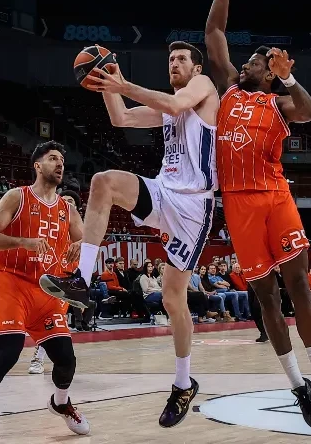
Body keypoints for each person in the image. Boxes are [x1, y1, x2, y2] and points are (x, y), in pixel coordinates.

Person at [199, 0, 311, 429]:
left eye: (257, 61)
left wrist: (289, 81)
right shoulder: (226, 91)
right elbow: (214, 29)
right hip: (238, 202)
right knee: (266, 298)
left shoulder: (276, 101)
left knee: (298, 282)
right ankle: (298, 387)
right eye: (250, 61)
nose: (247, 63)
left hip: (274, 193)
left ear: (268, 70)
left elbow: (309, 111)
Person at [40, 40, 220, 428]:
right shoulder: (169, 108)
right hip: (165, 192)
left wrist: (123, 84)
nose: (174, 63)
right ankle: (81, 279)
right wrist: (107, 84)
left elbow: (174, 104)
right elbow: (121, 119)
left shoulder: (203, 88)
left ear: (196, 66)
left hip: (193, 206)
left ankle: (183, 383)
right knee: (103, 182)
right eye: (170, 58)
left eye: (181, 59)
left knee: (174, 300)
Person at [0, 142, 90, 444]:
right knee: (9, 352)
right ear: (37, 166)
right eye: (53, 158)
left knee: (66, 358)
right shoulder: (18, 196)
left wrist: (82, 246)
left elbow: (87, 243)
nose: (59, 164)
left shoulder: (68, 209)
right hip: (13, 283)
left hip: (48, 289)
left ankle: (61, 402)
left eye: (62, 159)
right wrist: (23, 242)